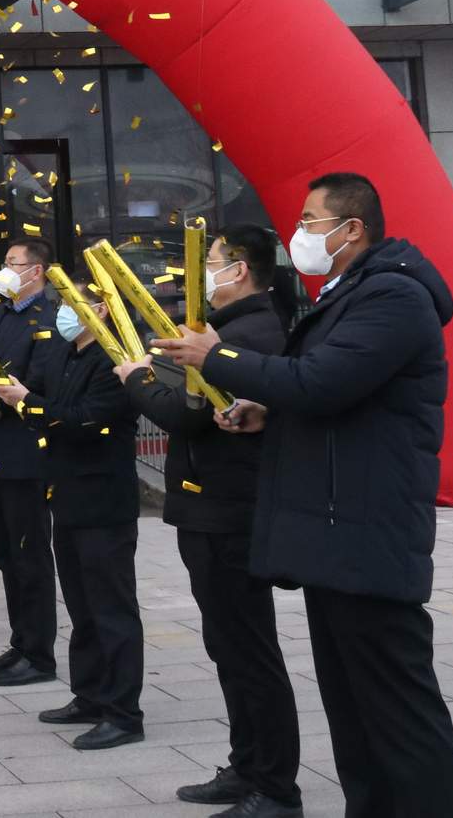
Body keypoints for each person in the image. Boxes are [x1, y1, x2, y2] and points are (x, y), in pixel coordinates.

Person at [158, 173, 453, 818]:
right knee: (353, 707)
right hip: (335, 531)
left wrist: (218, 358)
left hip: (368, 528)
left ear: (351, 228)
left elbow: (324, 382)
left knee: (396, 707)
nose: (298, 233)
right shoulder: (348, 293)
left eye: (308, 221)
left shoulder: (393, 295)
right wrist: (268, 412)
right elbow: (332, 394)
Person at [117, 227, 301, 818]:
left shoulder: (246, 334)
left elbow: (185, 413)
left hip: (229, 509)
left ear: (238, 269)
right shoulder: (227, 330)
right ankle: (247, 766)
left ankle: (274, 786)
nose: (199, 274)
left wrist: (137, 378)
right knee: (229, 646)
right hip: (211, 507)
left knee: (248, 649)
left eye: (211, 261)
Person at [0, 291, 144, 751]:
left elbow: (84, 420)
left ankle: (123, 712)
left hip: (104, 499)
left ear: (101, 309)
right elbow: (41, 396)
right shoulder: (64, 351)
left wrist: (29, 403)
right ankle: (90, 694)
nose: (63, 312)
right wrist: (13, 394)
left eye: (73, 303)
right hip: (66, 494)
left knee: (111, 607)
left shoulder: (114, 360)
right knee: (81, 605)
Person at [0, 239, 64, 687]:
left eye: (13, 263)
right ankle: (21, 642)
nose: (4, 271)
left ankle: (40, 653)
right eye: (4, 263)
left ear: (36, 271)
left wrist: (1, 390)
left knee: (30, 554)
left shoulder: (48, 317)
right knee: (6, 553)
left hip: (26, 448)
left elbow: (40, 378)